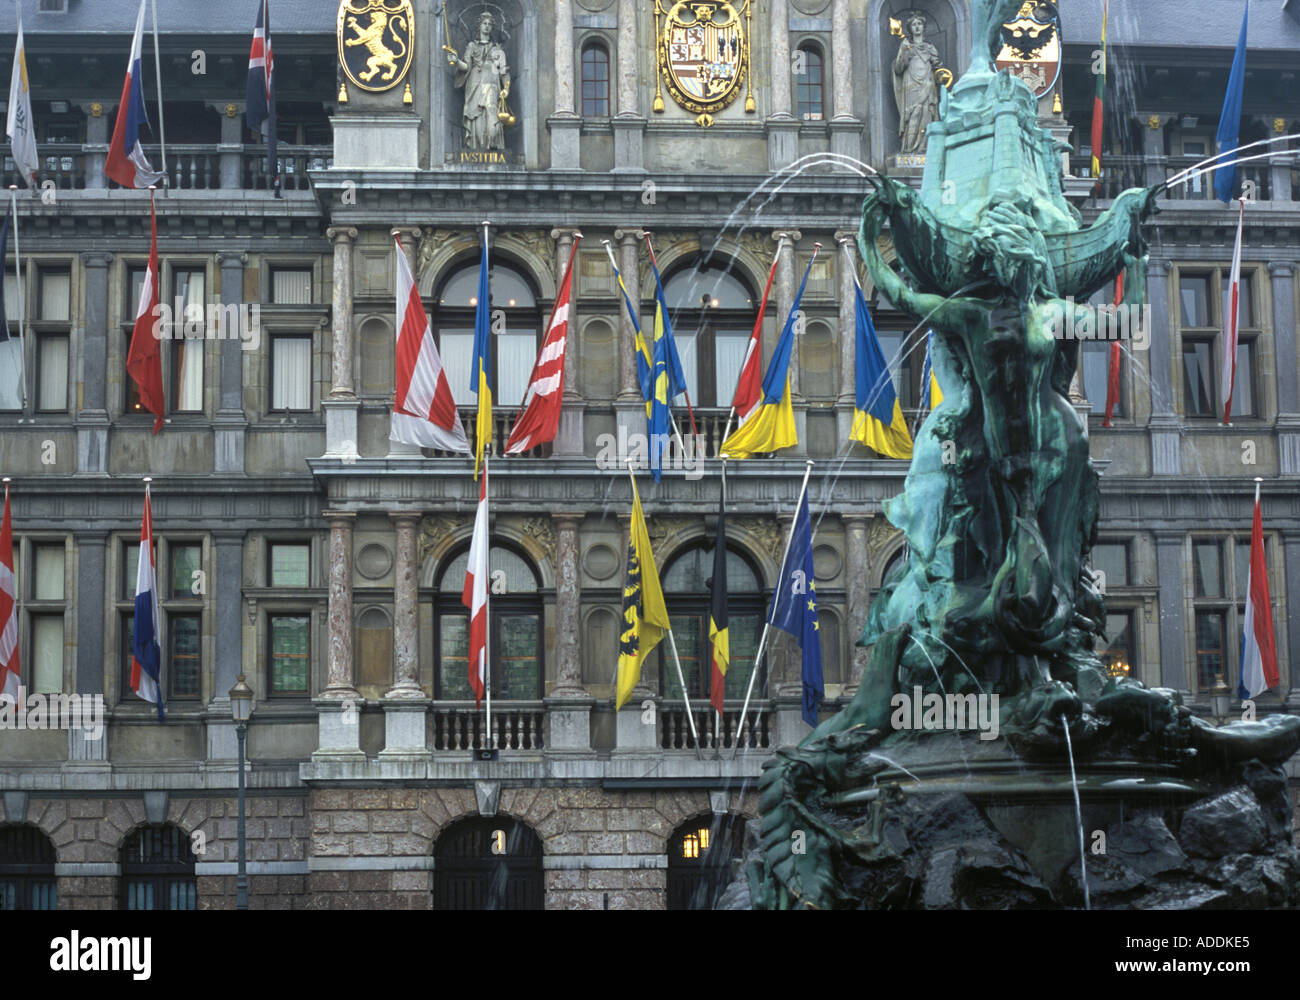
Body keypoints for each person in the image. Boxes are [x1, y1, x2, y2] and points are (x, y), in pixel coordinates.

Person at [451, 12, 511, 152]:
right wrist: (455, 61)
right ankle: (476, 146)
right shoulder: (472, 46)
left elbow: (503, 72)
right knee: (475, 115)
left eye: (490, 24)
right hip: (474, 85)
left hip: (491, 85)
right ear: (479, 26)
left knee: (491, 114)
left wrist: (506, 89)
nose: (487, 27)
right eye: (484, 23)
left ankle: (492, 143)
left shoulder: (497, 49)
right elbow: (466, 66)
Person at [892, 14, 942, 155]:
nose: (917, 26)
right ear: (910, 28)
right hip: (911, 86)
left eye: (919, 23)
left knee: (926, 113)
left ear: (924, 27)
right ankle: (909, 148)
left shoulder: (930, 48)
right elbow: (898, 68)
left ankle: (924, 148)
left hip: (927, 83)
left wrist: (942, 76)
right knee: (913, 114)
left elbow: (938, 68)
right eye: (914, 24)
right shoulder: (906, 46)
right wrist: (905, 53)